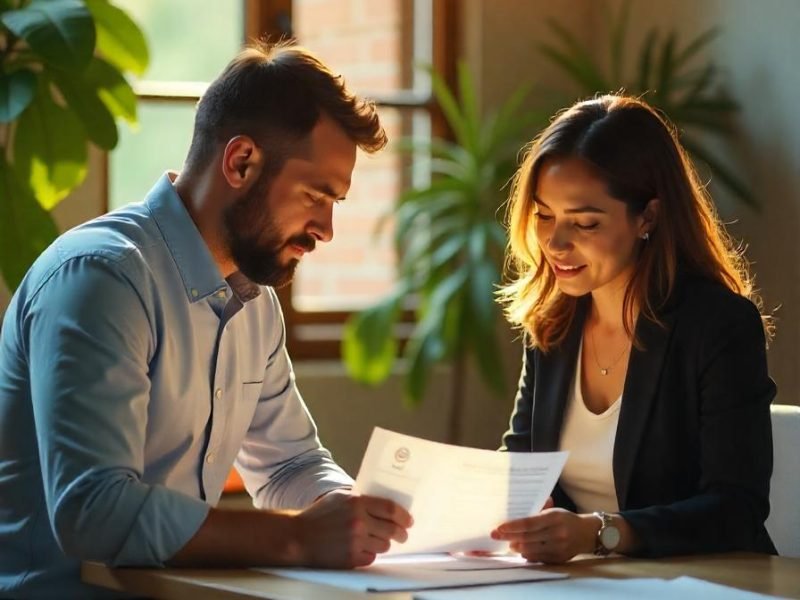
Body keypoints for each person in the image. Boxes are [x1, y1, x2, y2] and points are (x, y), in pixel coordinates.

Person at [0, 41, 412, 598]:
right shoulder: (102, 278)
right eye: (316, 195)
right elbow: (93, 511)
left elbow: (289, 465)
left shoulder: (253, 303)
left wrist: (342, 511)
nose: (326, 228)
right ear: (241, 162)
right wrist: (297, 539)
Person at [492, 94, 776, 563]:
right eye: (544, 215)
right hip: (581, 585)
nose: (555, 243)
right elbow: (522, 462)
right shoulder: (552, 323)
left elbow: (737, 507)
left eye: (584, 222)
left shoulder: (719, 326)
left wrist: (600, 534)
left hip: (703, 584)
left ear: (648, 216)